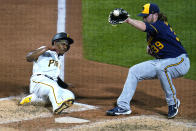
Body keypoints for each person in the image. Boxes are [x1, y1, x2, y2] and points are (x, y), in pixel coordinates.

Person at [106, 3, 190, 118]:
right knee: (134, 71)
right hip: (163, 62)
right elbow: (158, 48)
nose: (144, 18)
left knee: (161, 68)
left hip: (180, 61)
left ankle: (173, 102)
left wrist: (128, 20)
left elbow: (143, 27)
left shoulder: (160, 24)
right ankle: (123, 106)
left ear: (155, 15)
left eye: (146, 16)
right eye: (143, 16)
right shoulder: (152, 32)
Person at [19, 32, 75, 115]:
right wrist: (46, 48)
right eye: (63, 44)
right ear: (56, 43)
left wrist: (65, 85)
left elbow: (55, 78)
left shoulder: (58, 61)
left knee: (69, 95)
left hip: (49, 84)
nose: (65, 47)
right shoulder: (45, 51)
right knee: (53, 87)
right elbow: (28, 57)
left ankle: (33, 99)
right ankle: (57, 107)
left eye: (67, 45)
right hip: (38, 81)